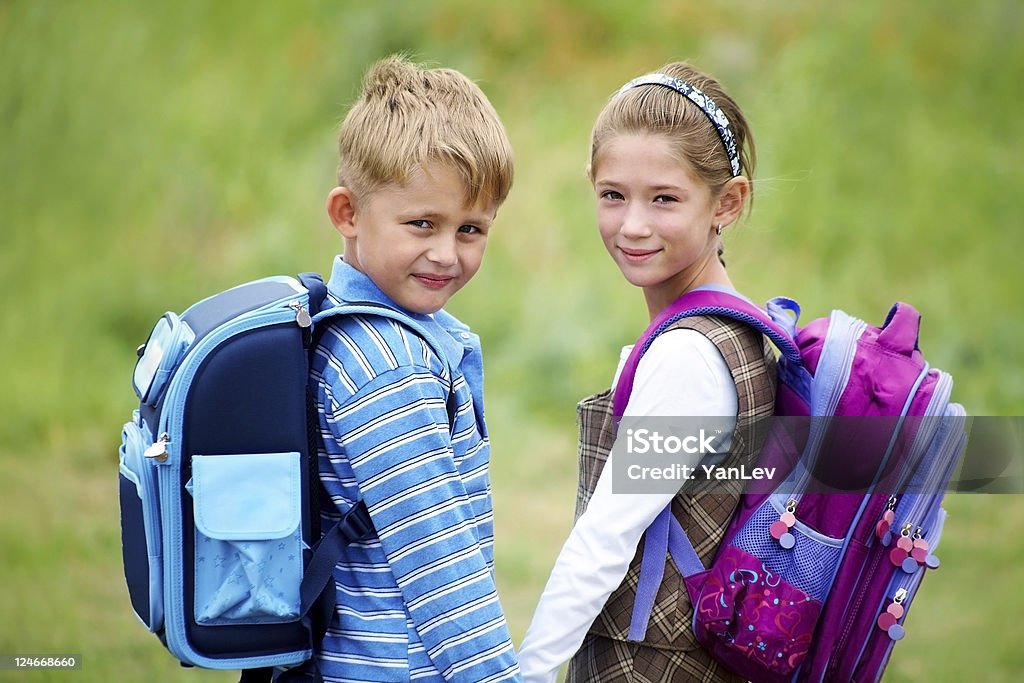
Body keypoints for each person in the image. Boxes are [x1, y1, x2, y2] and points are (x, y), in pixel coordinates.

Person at [517, 62, 777, 682]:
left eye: (664, 199)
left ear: (728, 203)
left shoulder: (687, 359)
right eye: (613, 195)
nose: (633, 225)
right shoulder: (739, 330)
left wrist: (524, 672)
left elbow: (603, 543)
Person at [309, 54, 521, 682]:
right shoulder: (386, 363)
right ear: (348, 213)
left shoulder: (372, 332)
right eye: (422, 224)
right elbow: (436, 559)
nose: (445, 254)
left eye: (471, 229)